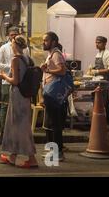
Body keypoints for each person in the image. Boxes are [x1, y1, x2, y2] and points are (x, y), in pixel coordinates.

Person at [0, 35, 38, 168]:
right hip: (25, 95)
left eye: (12, 43)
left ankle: (31, 158)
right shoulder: (27, 58)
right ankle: (12, 156)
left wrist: (3, 75)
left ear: (15, 45)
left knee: (20, 126)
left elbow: (15, 81)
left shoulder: (15, 59)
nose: (11, 44)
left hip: (17, 94)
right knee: (18, 125)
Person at [0, 26, 28, 139]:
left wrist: (14, 68)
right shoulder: (4, 48)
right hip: (6, 84)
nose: (13, 36)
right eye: (11, 34)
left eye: (15, 34)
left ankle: (15, 135)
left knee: (17, 110)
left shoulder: (25, 50)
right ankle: (4, 133)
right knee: (5, 108)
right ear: (8, 35)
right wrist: (11, 67)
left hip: (20, 85)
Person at [41, 31, 67, 162]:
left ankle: (59, 153)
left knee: (55, 124)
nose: (43, 42)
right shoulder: (51, 54)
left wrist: (48, 70)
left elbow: (62, 71)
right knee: (52, 124)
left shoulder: (56, 54)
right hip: (49, 93)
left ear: (54, 42)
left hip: (54, 94)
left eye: (46, 40)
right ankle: (54, 151)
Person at [90, 36, 109, 126]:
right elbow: (99, 67)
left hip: (104, 80)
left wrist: (97, 71)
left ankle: (102, 124)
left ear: (104, 43)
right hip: (98, 80)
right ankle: (108, 122)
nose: (97, 44)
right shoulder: (98, 54)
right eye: (96, 42)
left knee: (102, 101)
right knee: (106, 101)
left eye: (99, 42)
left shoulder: (108, 53)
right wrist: (93, 68)